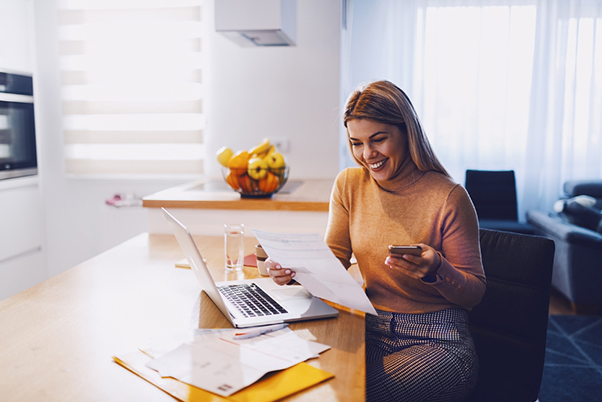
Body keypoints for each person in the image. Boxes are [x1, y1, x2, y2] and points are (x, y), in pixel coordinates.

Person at [267, 80, 486, 402]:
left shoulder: (449, 197)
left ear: (406, 132)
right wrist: (293, 270)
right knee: (291, 379)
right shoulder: (349, 184)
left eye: (378, 140)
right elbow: (334, 260)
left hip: (438, 340)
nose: (367, 155)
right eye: (356, 143)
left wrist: (436, 268)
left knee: (343, 394)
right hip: (367, 326)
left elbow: (475, 294)